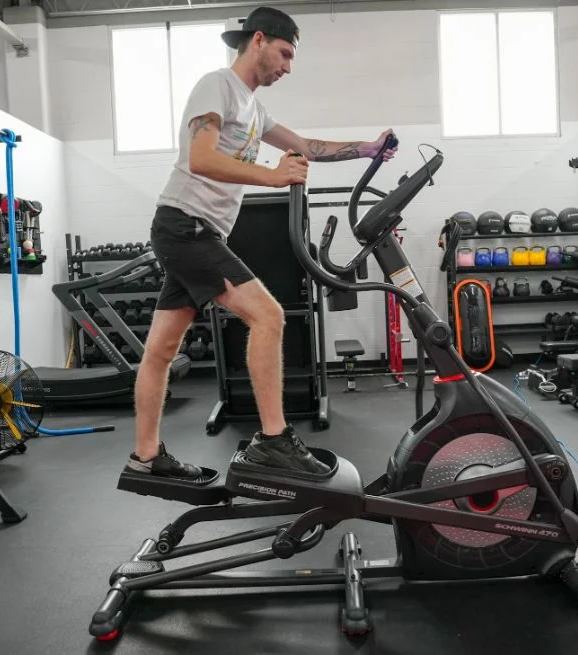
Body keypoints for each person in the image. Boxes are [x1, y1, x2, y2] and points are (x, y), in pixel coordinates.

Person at [125, 6, 397, 482]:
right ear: (258, 40)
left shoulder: (254, 107)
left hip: (192, 230)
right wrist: (272, 178)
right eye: (286, 53)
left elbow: (308, 148)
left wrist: (368, 148)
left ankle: (146, 458)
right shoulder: (217, 85)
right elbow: (201, 158)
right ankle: (273, 440)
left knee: (160, 352)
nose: (288, 67)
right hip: (186, 225)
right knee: (268, 316)